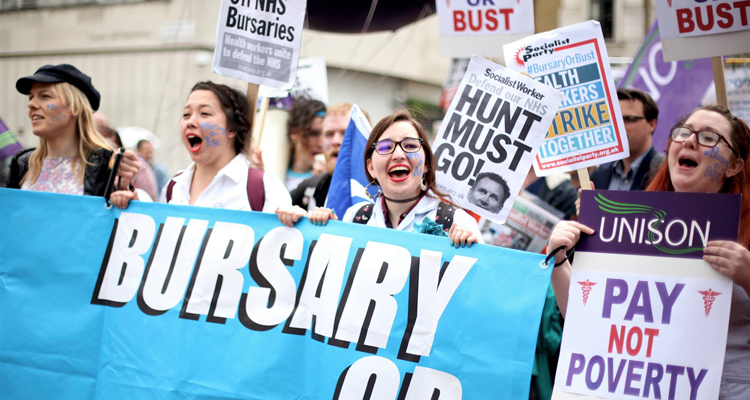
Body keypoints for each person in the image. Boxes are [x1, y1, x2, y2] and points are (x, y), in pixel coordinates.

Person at [547, 105, 750, 398]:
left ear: (733, 166)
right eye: (684, 133)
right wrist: (558, 260)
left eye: (709, 137)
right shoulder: (631, 223)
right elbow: (588, 321)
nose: (690, 141)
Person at [279, 109, 483, 247]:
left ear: (427, 163)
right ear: (371, 167)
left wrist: (469, 251)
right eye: (385, 147)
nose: (398, 154)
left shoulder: (456, 222)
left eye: (410, 145)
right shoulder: (355, 218)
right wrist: (314, 229)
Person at [8, 64, 139, 197]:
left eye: (45, 96)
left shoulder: (105, 163)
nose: (31, 104)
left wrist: (124, 190)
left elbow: (124, 215)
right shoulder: (23, 163)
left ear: (75, 107)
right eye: (31, 97)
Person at [157, 81, 291, 212]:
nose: (191, 122)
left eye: (205, 113)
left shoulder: (265, 188)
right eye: (186, 114)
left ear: (232, 129)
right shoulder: (173, 187)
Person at [590, 88, 665, 191]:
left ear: (652, 124)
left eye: (629, 119)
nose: (620, 126)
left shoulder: (665, 172)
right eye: (616, 120)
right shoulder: (598, 175)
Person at [290, 103, 351, 211]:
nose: (336, 141)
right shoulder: (309, 188)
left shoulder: (379, 190)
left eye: (345, 133)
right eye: (329, 134)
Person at [285, 98, 326, 191]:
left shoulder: (329, 178)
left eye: (326, 135)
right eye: (313, 133)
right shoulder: (276, 173)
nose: (321, 143)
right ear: (294, 134)